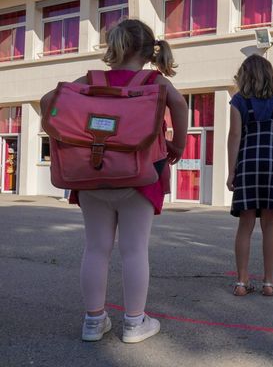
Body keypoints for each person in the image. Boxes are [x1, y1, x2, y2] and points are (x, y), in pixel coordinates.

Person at [40, 19, 188, 343]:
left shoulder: (92, 80)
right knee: (134, 251)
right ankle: (135, 323)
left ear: (114, 47)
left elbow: (47, 101)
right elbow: (179, 105)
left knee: (96, 248)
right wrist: (178, 144)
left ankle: (93, 322)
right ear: (150, 52)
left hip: (91, 175)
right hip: (140, 175)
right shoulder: (155, 81)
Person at [228, 54, 273, 296]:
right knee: (270, 225)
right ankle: (269, 283)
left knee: (245, 224)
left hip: (247, 165)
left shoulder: (239, 101)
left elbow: (234, 137)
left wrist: (231, 171)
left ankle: (241, 281)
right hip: (272, 166)